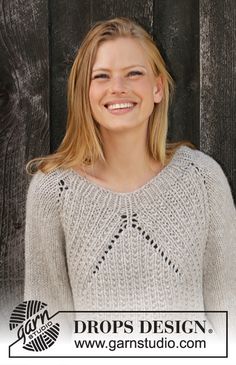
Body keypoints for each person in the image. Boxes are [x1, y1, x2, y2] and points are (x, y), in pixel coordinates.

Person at [24, 17, 236, 340]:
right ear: (86, 92)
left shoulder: (204, 180)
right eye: (102, 76)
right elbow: (47, 332)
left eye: (134, 73)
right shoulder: (53, 191)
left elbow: (229, 317)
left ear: (158, 87)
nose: (118, 88)